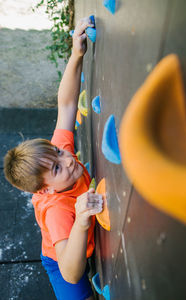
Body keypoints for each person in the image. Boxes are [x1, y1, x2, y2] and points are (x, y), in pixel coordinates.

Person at [3, 17, 103, 300]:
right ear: (45, 189)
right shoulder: (58, 211)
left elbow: (67, 103)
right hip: (60, 260)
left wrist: (76, 54)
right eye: (58, 167)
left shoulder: (59, 155)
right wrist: (82, 220)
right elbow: (71, 272)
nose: (68, 159)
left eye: (58, 152)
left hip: (76, 232)